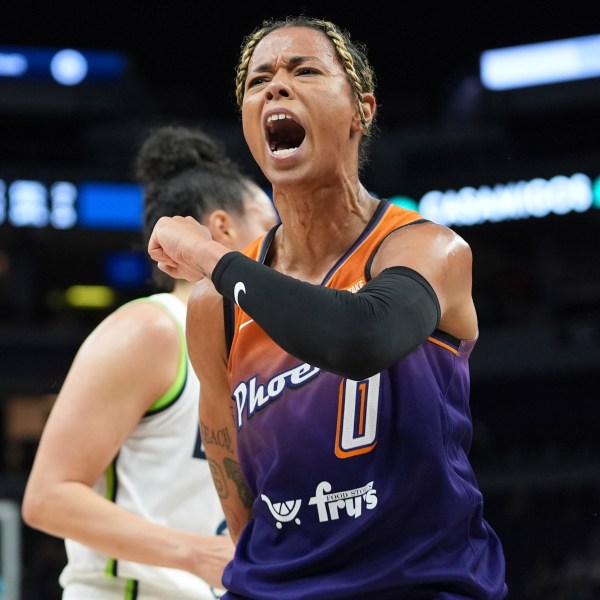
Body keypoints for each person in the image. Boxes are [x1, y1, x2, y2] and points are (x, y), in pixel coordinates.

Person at [147, 16, 508, 600]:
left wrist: (214, 258)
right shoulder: (216, 306)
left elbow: (362, 339)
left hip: (416, 585)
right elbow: (233, 479)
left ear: (362, 110)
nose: (276, 87)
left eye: (304, 71)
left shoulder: (422, 249)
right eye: (258, 81)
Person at [21, 124, 279, 600]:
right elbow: (48, 497)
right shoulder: (154, 328)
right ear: (223, 228)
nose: (280, 244)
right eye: (269, 224)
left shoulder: (259, 350)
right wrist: (197, 553)